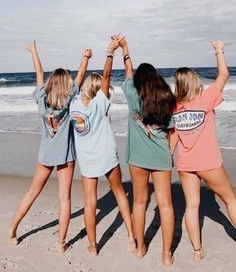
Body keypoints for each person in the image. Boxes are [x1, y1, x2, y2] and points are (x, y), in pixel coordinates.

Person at [8, 40, 92, 252]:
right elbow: (80, 77)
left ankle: (12, 230)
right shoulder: (69, 98)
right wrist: (86, 58)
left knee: (32, 193)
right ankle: (61, 244)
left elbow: (39, 72)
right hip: (65, 156)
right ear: (66, 85)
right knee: (65, 198)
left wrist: (34, 51)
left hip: (46, 154)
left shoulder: (41, 98)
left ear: (51, 83)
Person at [170, 40, 236, 261]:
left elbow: (173, 139)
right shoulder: (205, 99)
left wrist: (167, 157)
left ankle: (197, 252)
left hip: (186, 164)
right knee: (230, 200)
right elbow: (224, 74)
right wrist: (218, 51)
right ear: (194, 82)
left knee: (191, 206)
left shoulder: (175, 107)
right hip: (208, 162)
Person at [70, 35, 135, 256]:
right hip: (106, 155)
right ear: (99, 88)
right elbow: (106, 74)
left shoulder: (73, 103)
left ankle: (92, 246)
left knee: (90, 202)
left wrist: (85, 58)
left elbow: (76, 80)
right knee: (119, 193)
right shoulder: (101, 100)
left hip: (87, 158)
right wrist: (111, 52)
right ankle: (131, 237)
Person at [119, 37, 176, 266]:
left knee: (140, 203)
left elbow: (128, 73)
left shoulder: (132, 93)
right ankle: (166, 255)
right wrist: (169, 153)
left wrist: (125, 49)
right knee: (166, 204)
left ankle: (141, 247)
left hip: (138, 158)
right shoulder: (166, 98)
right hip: (161, 155)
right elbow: (172, 131)